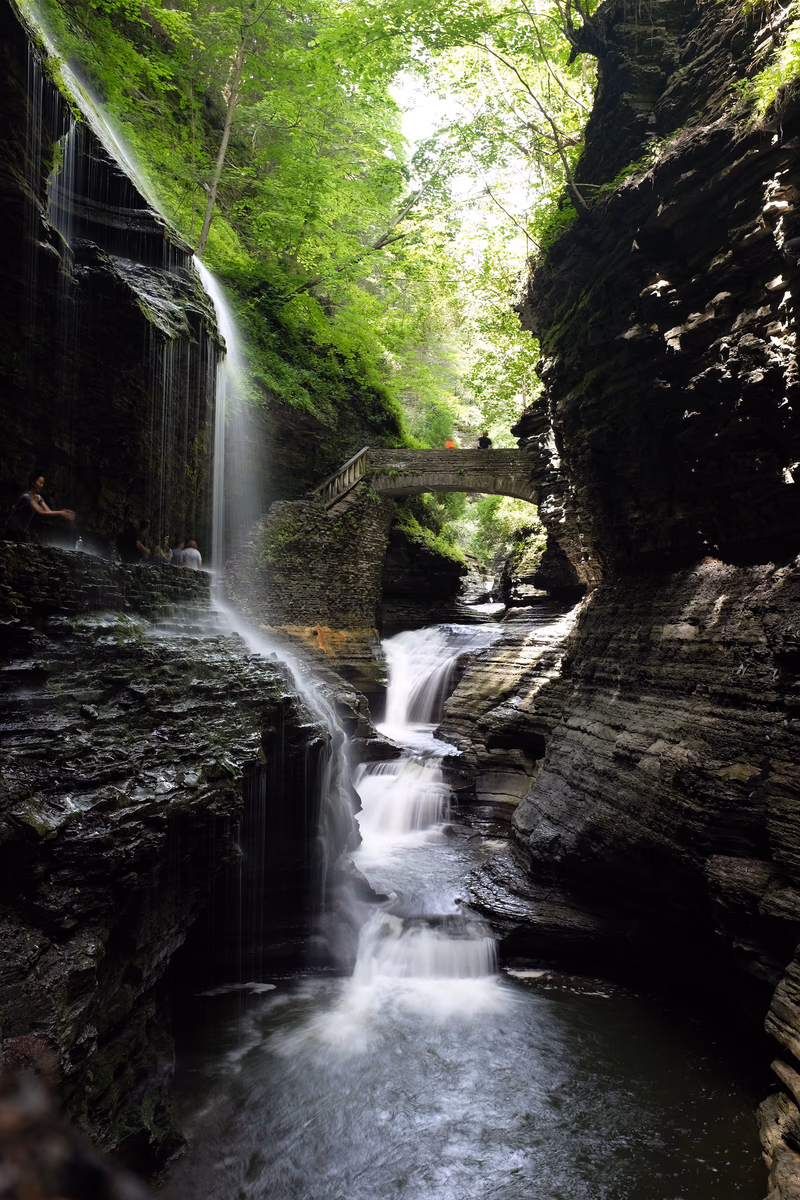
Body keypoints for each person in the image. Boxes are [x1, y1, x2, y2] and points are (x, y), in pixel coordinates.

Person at [3, 474, 75, 542]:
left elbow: (48, 511)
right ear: (33, 483)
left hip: (22, 531)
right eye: (40, 483)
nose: (42, 485)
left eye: (42, 483)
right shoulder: (26, 496)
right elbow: (40, 511)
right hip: (12, 529)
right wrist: (61, 512)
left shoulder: (38, 497)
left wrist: (62, 511)